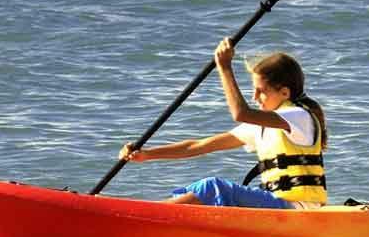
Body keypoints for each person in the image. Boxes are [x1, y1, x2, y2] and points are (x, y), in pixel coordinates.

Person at [118, 37, 328, 209]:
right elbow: (199, 146)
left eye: (261, 91)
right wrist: (147, 154)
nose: (255, 97)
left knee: (214, 187)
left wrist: (225, 68)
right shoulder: (264, 126)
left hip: (300, 208)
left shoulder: (298, 117)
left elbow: (240, 113)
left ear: (284, 93)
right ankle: (146, 212)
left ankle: (141, 215)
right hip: (275, 204)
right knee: (200, 188)